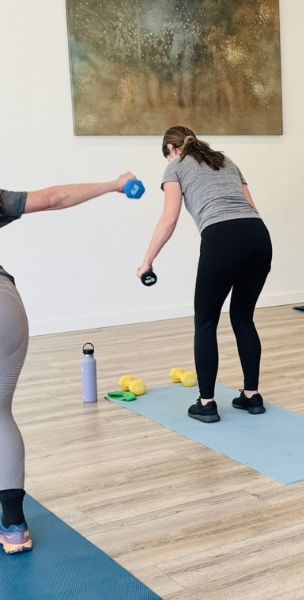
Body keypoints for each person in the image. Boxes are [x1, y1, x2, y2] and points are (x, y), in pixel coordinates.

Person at [1, 172, 138, 554]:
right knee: (0, 415)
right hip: (5, 307)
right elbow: (54, 197)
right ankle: (14, 527)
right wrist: (113, 184)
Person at [138, 126, 272, 424]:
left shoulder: (175, 167)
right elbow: (251, 206)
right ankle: (252, 396)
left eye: (167, 154)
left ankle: (207, 403)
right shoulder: (226, 161)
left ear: (171, 149)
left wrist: (147, 261)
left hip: (221, 238)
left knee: (206, 321)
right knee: (243, 318)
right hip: (258, 236)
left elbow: (169, 218)